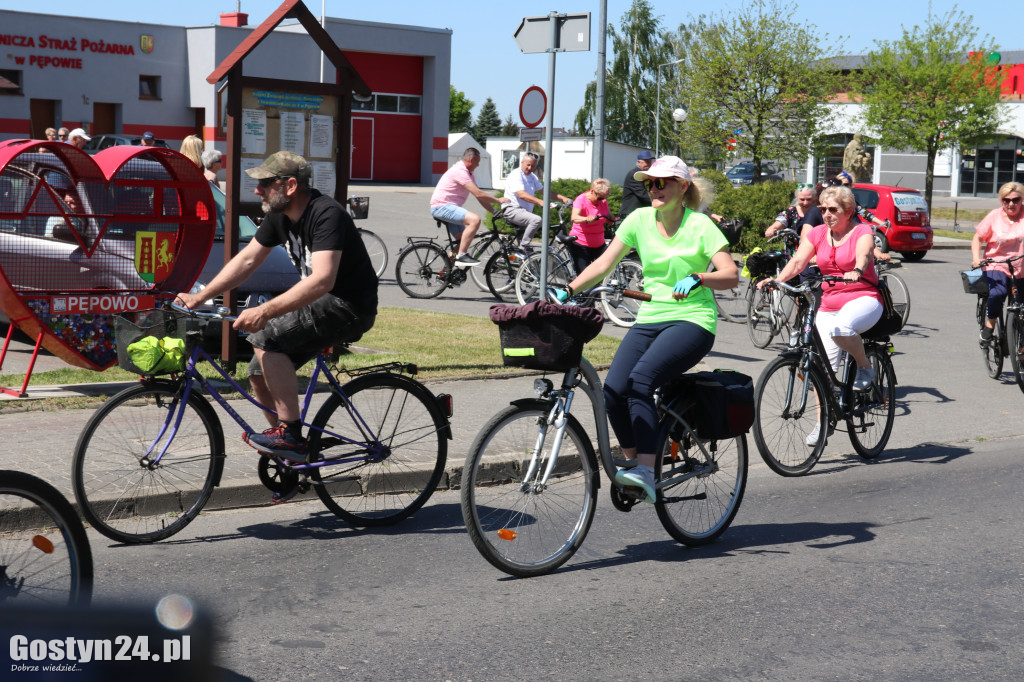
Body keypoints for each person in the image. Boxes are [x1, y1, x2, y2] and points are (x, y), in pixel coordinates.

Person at [175, 151, 378, 501]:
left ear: (290, 185)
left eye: (265, 184)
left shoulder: (326, 213)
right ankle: (288, 454)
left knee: (266, 337)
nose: (258, 192)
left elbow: (323, 280)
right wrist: (201, 296)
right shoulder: (279, 216)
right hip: (321, 301)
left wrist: (266, 311)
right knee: (257, 370)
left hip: (349, 305)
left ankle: (292, 437)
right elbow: (247, 260)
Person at [555, 156, 738, 503]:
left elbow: (731, 275)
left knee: (640, 382)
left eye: (662, 182)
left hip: (693, 320)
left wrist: (700, 276)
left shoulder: (700, 226)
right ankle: (632, 464)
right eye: (649, 183)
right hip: (651, 316)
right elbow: (603, 263)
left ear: (682, 187)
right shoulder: (639, 220)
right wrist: (569, 289)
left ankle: (647, 471)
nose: (653, 189)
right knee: (613, 389)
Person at [763, 185, 883, 444]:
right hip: (829, 302)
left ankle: (864, 366)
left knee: (842, 329)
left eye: (833, 209)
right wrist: (777, 280)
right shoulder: (818, 233)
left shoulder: (861, 230)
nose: (826, 214)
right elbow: (798, 262)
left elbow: (863, 253)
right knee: (820, 370)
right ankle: (823, 422)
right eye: (823, 209)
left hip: (864, 297)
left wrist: (858, 269)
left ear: (849, 211)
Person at [429, 147, 508, 266]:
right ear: (471, 160)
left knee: (462, 241)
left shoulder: (468, 174)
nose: (478, 164)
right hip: (442, 207)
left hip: (449, 207)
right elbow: (478, 193)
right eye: (478, 161)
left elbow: (479, 196)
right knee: (475, 220)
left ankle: (445, 274)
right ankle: (461, 256)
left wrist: (494, 211)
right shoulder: (460, 171)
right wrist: (498, 200)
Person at [971, 181, 1024, 341]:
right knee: (998, 292)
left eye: (1016, 200)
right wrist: (976, 258)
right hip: (997, 264)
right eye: (1006, 200)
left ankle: (1020, 344)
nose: (1011, 204)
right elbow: (978, 238)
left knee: (1021, 308)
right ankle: (990, 323)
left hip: (1021, 266)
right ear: (1001, 201)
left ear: (1022, 199)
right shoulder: (994, 216)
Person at [500, 152, 570, 250]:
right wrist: (541, 202)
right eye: (528, 165)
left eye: (533, 166)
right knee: (536, 220)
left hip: (524, 212)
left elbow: (544, 191)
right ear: (522, 162)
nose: (530, 168)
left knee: (530, 256)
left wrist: (563, 198)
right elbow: (521, 194)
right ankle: (523, 248)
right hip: (512, 210)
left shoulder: (532, 176)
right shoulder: (516, 175)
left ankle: (524, 254)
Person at [567, 178, 616, 275]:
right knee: (585, 276)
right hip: (581, 244)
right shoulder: (581, 200)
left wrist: (615, 220)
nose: (601, 200)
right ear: (592, 191)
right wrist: (586, 219)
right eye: (600, 198)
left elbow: (609, 218)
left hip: (599, 243)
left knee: (603, 270)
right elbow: (574, 217)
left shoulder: (603, 201)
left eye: (604, 198)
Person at [619, 150, 654, 220]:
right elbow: (643, 194)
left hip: (640, 213)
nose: (649, 164)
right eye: (646, 162)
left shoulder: (647, 174)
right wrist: (658, 200)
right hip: (631, 213)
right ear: (638, 162)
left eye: (650, 162)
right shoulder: (634, 175)